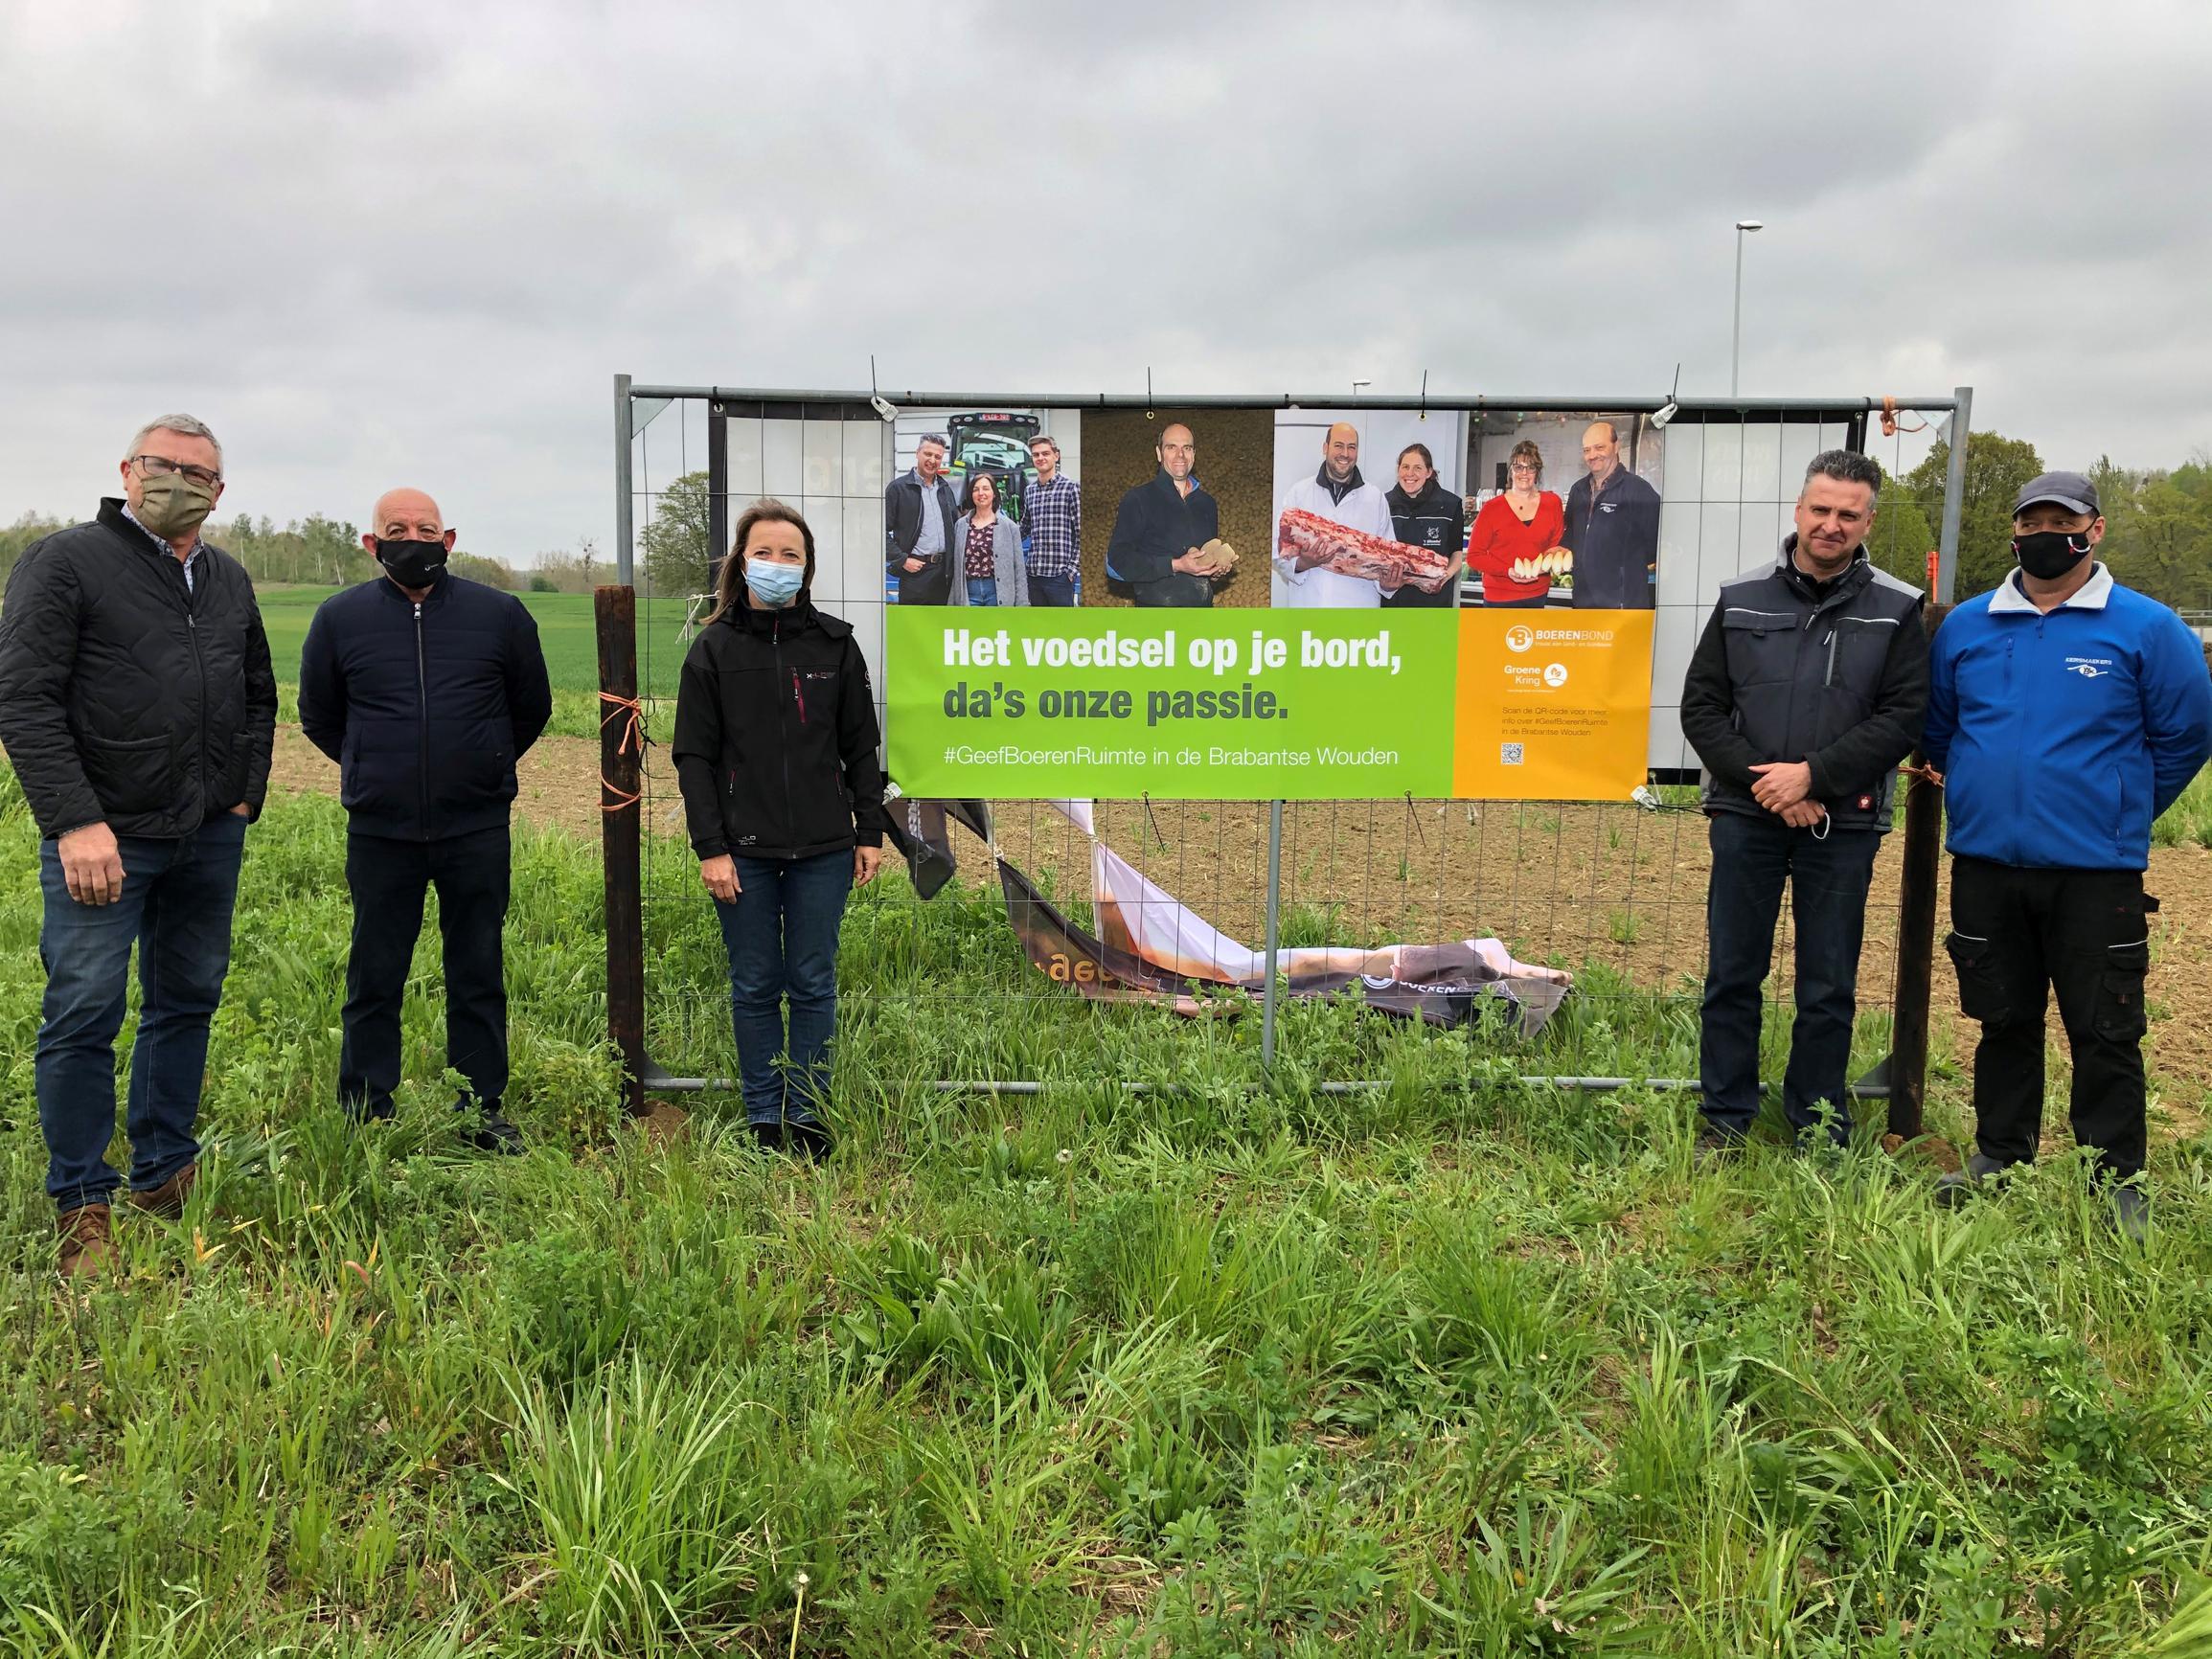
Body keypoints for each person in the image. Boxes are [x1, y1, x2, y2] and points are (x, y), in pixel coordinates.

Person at [0, 415, 277, 1277]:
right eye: (164, 466)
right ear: (128, 470)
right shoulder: (68, 561)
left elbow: (259, 693)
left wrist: (240, 798)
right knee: (85, 1011)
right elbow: (24, 697)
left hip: (205, 834)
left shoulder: (227, 578)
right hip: (103, 839)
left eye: (200, 474)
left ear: (219, 492)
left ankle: (164, 1167)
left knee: (187, 998)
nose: (181, 483)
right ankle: (82, 1198)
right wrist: (75, 822)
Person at [1925, 470, 2212, 1237]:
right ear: (2013, 531)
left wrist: (2120, 808)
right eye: (2032, 521)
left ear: (2095, 530)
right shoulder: (1969, 626)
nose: (2046, 534)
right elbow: (1940, 727)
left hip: (2096, 871)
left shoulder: (2146, 629)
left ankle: (2112, 1178)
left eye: (2063, 520)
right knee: (2000, 1017)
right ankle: (1999, 1155)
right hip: (1986, 863)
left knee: (2105, 1026)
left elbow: (2186, 734)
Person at [1678, 450, 1927, 1156]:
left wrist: (1812, 777)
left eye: (1848, 514)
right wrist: (1770, 784)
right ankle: (1724, 1117)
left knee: (1826, 983)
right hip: (1745, 816)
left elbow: (1901, 716)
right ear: (1797, 510)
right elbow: (1702, 709)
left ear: (1867, 521)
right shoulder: (1741, 597)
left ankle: (1817, 1124)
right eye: (1820, 509)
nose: (1830, 524)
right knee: (1732, 974)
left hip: (1842, 823)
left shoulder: (1896, 606)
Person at [296, 489, 553, 1153]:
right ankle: (365, 1112)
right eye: (397, 529)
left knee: (477, 969)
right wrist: (371, 766)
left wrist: (483, 766)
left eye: (426, 528)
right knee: (374, 973)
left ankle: (479, 1111)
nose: (413, 538)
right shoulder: (339, 619)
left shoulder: (498, 615)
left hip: (474, 826)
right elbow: (321, 716)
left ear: (450, 539)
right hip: (381, 830)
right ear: (371, 544)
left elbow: (531, 708)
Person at [672, 499, 888, 1155]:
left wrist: (869, 832)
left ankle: (810, 1112)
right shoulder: (712, 649)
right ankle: (765, 1115)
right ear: (741, 563)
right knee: (756, 984)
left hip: (825, 850)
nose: (776, 564)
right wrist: (712, 848)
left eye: (789, 554)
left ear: (807, 567)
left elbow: (860, 749)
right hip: (743, 853)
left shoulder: (834, 645)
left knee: (814, 982)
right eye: (763, 552)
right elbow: (693, 758)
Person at [1274, 421, 1398, 609]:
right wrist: (1303, 563)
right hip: (1309, 609)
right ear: (1325, 448)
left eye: (1352, 447)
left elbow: (1389, 559)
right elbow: (1278, 553)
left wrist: (1387, 584)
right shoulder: (1298, 494)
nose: (1345, 454)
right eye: (1338, 445)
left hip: (1358, 615)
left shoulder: (1376, 499)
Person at [1106, 423, 1223, 607]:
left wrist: (1214, 569)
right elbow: (1115, 564)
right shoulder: (1138, 499)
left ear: (1194, 454)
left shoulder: (1207, 504)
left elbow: (1202, 563)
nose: (1180, 455)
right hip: (1155, 621)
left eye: (1187, 448)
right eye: (1171, 447)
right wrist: (1175, 565)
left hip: (1201, 621)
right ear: (1159, 454)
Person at [1560, 420, 1660, 609]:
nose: (1592, 455)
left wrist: (1622, 570)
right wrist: (1561, 549)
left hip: (1623, 603)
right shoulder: (1578, 489)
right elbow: (1572, 534)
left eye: (1599, 447)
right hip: (1583, 600)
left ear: (1616, 446)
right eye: (1586, 450)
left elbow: (1655, 545)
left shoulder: (1638, 490)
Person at [1465, 441, 1565, 609]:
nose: (1524, 473)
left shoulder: (1552, 503)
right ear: (1511, 470)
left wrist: (1542, 568)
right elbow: (1474, 556)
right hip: (1499, 596)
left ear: (1537, 472)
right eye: (1519, 467)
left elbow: (1556, 547)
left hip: (1538, 594)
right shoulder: (1492, 508)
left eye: (1531, 467)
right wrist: (1508, 571)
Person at [1382, 443, 1466, 610]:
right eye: (1405, 467)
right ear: (1398, 470)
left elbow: (1456, 552)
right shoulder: (1384, 503)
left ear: (1428, 472)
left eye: (1418, 468)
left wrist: (1444, 576)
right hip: (1393, 602)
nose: (1410, 473)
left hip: (1434, 603)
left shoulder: (1450, 505)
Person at [884, 433, 959, 604]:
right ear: (917, 453)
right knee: (914, 629)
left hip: (945, 574)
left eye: (938, 456)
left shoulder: (945, 489)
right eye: (928, 454)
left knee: (941, 629)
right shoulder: (898, 489)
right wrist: (902, 560)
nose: (932, 460)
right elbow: (878, 531)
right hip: (915, 574)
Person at [950, 470, 1028, 606]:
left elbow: (1019, 571)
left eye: (986, 488)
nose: (981, 493)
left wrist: (1022, 604)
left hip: (998, 593)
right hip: (969, 593)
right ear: (971, 495)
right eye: (976, 490)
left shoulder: (1010, 527)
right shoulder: (960, 526)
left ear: (994, 494)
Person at [1022, 434, 1081, 606]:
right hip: (1034, 576)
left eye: (1045, 453)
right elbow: (1024, 527)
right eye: (1036, 455)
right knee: (1038, 631)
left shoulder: (1071, 488)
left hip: (1059, 578)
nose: (1040, 458)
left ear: (1056, 455)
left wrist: (1070, 572)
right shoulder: (1030, 491)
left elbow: (1080, 533)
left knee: (1062, 631)